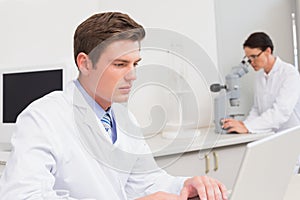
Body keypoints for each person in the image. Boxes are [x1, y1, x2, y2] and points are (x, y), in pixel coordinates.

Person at [0, 12, 227, 200]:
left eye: (135, 64)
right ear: (85, 63)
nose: (133, 75)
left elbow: (146, 181)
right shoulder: (43, 118)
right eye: (120, 64)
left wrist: (186, 186)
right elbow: (22, 196)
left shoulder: (124, 117)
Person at [222, 32, 300, 134]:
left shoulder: (289, 73)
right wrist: (244, 125)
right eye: (248, 58)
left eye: (254, 56)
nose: (251, 62)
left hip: (290, 135)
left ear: (268, 51)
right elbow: (257, 109)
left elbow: (280, 112)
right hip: (269, 135)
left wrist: (248, 127)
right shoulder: (260, 76)